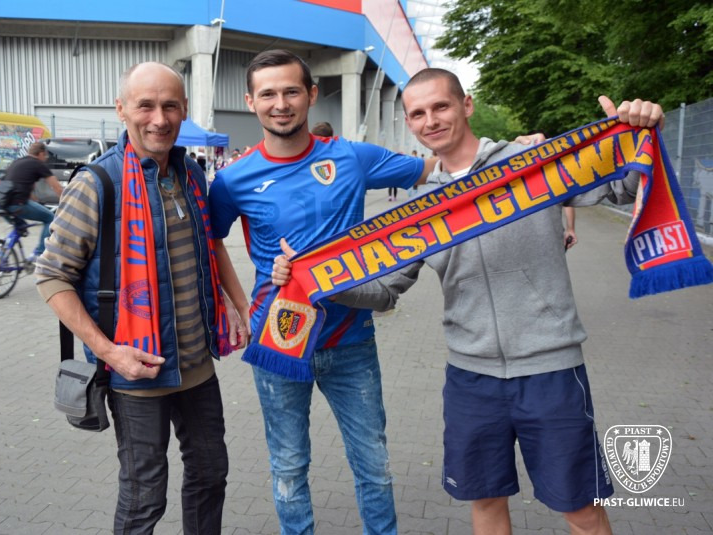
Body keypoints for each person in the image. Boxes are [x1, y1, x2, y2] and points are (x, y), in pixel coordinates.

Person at [273, 68, 663, 535]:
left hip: (550, 369)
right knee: (485, 502)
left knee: (580, 509)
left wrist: (642, 129)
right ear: (409, 123)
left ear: (466, 105)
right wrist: (319, 282)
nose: (431, 120)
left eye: (440, 106)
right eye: (418, 113)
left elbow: (624, 185)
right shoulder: (420, 206)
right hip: (470, 377)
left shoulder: (529, 162)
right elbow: (386, 290)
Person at [208, 49, 435, 535]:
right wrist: (240, 305)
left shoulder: (352, 157)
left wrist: (510, 151)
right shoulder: (231, 180)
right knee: (289, 466)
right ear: (251, 101)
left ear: (311, 95)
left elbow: (435, 169)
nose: (281, 104)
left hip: (351, 341)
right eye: (268, 94)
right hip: (278, 341)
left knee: (373, 464)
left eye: (291, 91)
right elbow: (212, 240)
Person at [35, 62, 246, 535]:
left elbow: (206, 248)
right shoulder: (97, 183)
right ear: (122, 109)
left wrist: (234, 303)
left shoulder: (192, 174)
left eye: (170, 106)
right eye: (145, 106)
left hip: (197, 366)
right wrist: (109, 353)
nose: (159, 118)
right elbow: (51, 277)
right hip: (135, 371)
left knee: (211, 473)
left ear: (184, 109)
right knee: (144, 495)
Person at [3, 142, 63, 261]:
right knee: (50, 218)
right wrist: (68, 203)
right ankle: (38, 254)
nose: (46, 158)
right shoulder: (38, 164)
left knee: (20, 227)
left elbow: (24, 187)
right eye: (45, 155)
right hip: (18, 204)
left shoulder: (17, 162)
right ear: (41, 153)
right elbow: (57, 188)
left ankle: (1, 257)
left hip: (2, 203)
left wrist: (37, 202)